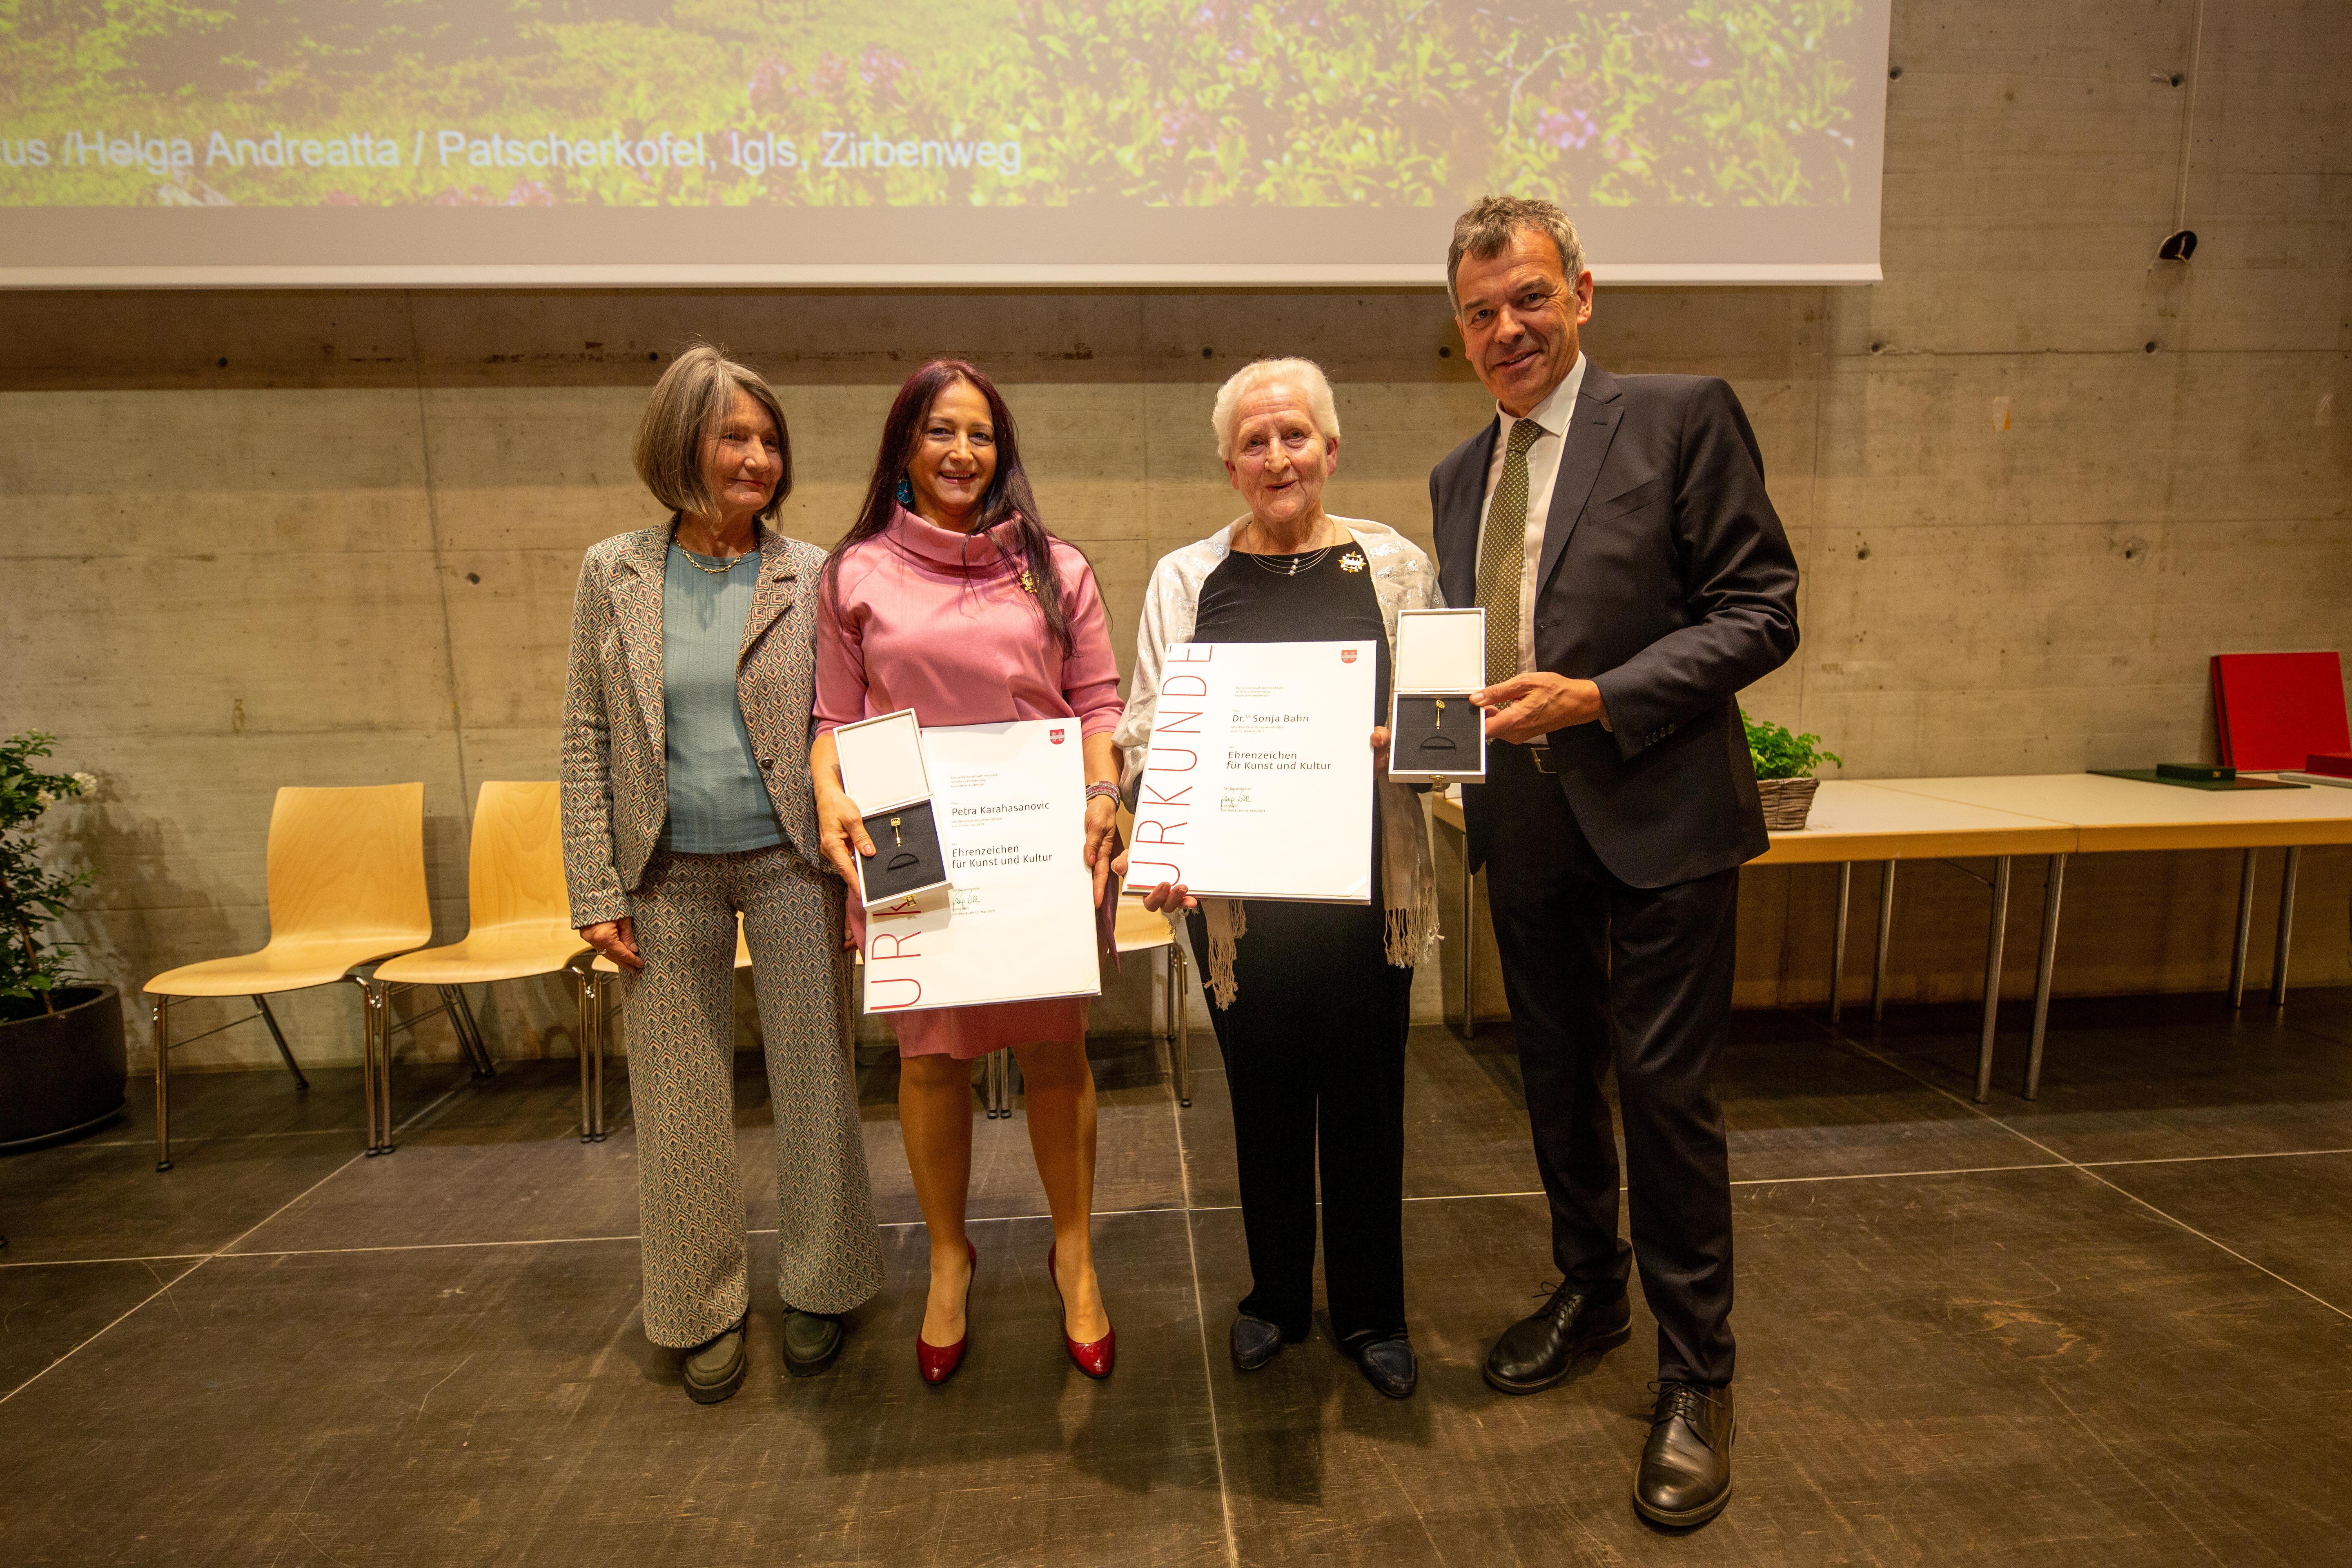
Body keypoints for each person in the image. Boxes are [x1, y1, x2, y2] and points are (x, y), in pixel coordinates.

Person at [1431, 196, 1800, 1524]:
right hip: (1521, 826)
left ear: (1583, 291)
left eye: (1528, 297)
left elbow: (1764, 609)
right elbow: (1464, 654)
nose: (1507, 328)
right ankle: (1591, 1292)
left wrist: (1605, 697)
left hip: (1660, 819)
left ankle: (1698, 1373)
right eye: (1480, 312)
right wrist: (1415, 735)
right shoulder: (1461, 473)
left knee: (1662, 1094)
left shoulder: (1681, 414)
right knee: (1553, 1082)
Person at [561, 343, 884, 1404]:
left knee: (816, 1083)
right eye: (732, 436)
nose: (757, 456)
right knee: (679, 1098)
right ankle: (700, 1309)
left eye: (768, 439)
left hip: (795, 862)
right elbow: (585, 736)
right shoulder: (611, 572)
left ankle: (824, 1287)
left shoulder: (819, 572)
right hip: (664, 872)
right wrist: (595, 886)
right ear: (678, 446)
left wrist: (868, 870)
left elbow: (851, 725)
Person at [1115, 357, 1441, 1399]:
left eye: (1295, 435)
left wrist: (1416, 743)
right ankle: (1272, 1298)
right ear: (1229, 465)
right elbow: (1146, 732)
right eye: (1254, 441)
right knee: (1259, 1097)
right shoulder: (1186, 578)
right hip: (1241, 903)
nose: (1277, 456)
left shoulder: (1395, 567)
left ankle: (1373, 1310)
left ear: (1332, 450)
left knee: (1367, 1099)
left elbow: (1447, 716)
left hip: (1363, 892)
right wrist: (1162, 844)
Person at [810, 359, 1125, 1385]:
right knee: (931, 1061)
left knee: (1054, 1054)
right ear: (905, 446)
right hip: (910, 850)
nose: (961, 454)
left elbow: (1098, 705)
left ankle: (1073, 1251)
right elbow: (832, 721)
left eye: (981, 435)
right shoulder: (853, 575)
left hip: (1040, 855)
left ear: (1004, 450)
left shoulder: (1055, 567)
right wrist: (828, 792)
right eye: (940, 433)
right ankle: (949, 1257)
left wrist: (1102, 793)